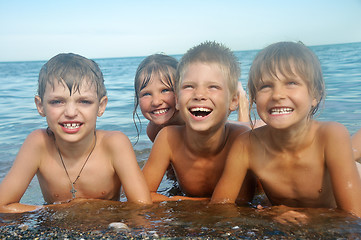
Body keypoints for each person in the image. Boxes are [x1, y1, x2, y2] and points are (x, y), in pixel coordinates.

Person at [210, 42, 361, 219]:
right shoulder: (246, 145)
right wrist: (269, 215)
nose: (277, 95)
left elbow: (353, 215)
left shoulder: (331, 135)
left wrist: (299, 216)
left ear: (315, 95)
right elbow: (219, 207)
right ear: (255, 97)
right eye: (265, 86)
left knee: (353, 157)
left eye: (291, 82)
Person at [0, 53, 152, 213]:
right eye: (57, 102)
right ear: (40, 106)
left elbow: (142, 206)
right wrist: (63, 210)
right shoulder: (39, 144)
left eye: (84, 101)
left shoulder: (114, 144)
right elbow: (3, 205)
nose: (71, 112)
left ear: (101, 106)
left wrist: (83, 207)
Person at [142, 41, 256, 202]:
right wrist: (187, 202)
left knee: (249, 128)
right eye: (189, 86)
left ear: (232, 101)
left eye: (213, 87)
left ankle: (243, 104)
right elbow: (141, 195)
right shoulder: (167, 137)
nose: (199, 94)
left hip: (246, 129)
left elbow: (240, 204)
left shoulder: (244, 142)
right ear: (176, 99)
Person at [133, 54, 184, 143]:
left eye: (165, 90)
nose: (156, 102)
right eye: (147, 94)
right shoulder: (154, 131)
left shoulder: (195, 125)